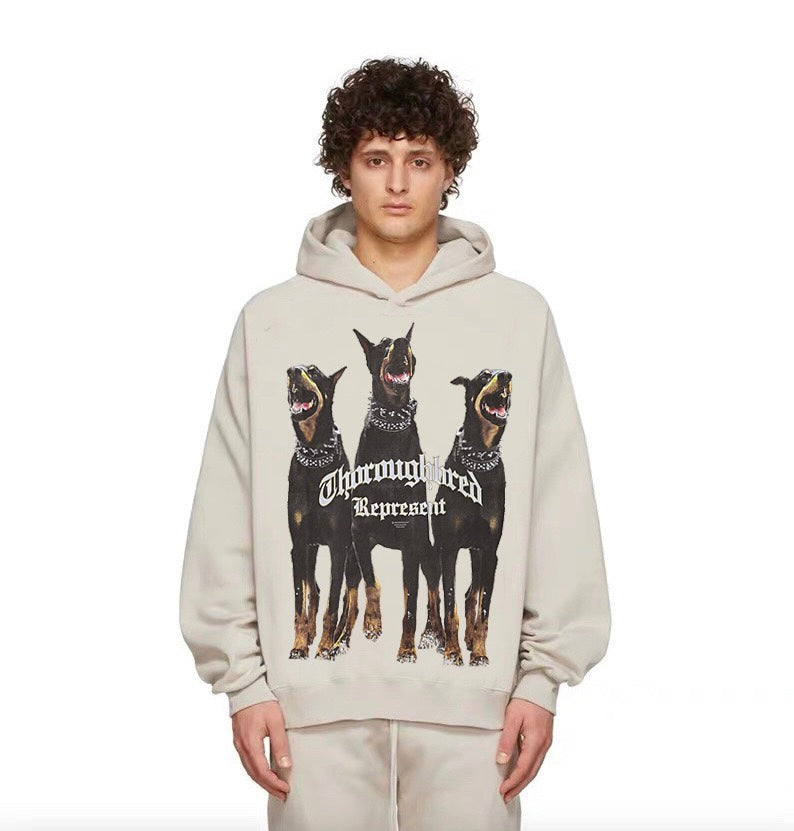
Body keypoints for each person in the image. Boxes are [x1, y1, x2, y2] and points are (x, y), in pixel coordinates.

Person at [179, 56, 611, 831]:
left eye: (420, 159)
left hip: (475, 714)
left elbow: (558, 501)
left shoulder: (519, 317)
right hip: (311, 712)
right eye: (377, 158)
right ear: (345, 170)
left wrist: (541, 680)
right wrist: (242, 682)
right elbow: (227, 503)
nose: (399, 182)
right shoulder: (270, 321)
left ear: (451, 171)